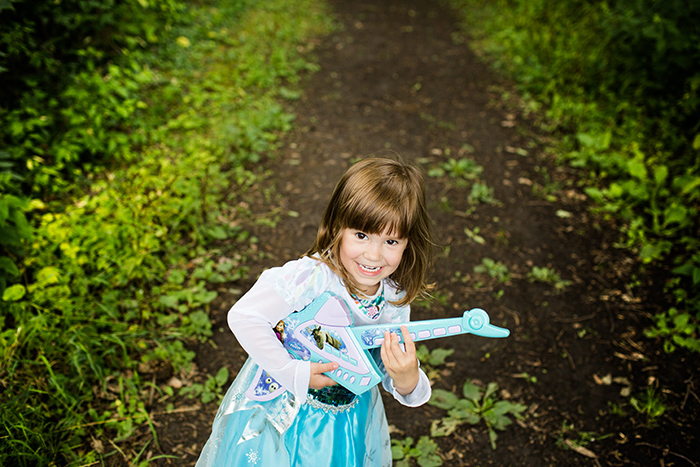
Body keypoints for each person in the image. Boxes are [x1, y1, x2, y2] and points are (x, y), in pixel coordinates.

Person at [195, 156, 437, 467]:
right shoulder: (312, 278)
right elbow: (245, 316)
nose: (373, 255)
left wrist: (407, 379)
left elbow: (383, 364)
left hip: (346, 422)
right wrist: (291, 371)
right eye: (361, 235)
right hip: (285, 412)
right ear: (338, 227)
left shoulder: (393, 298)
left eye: (391, 241)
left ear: (407, 244)